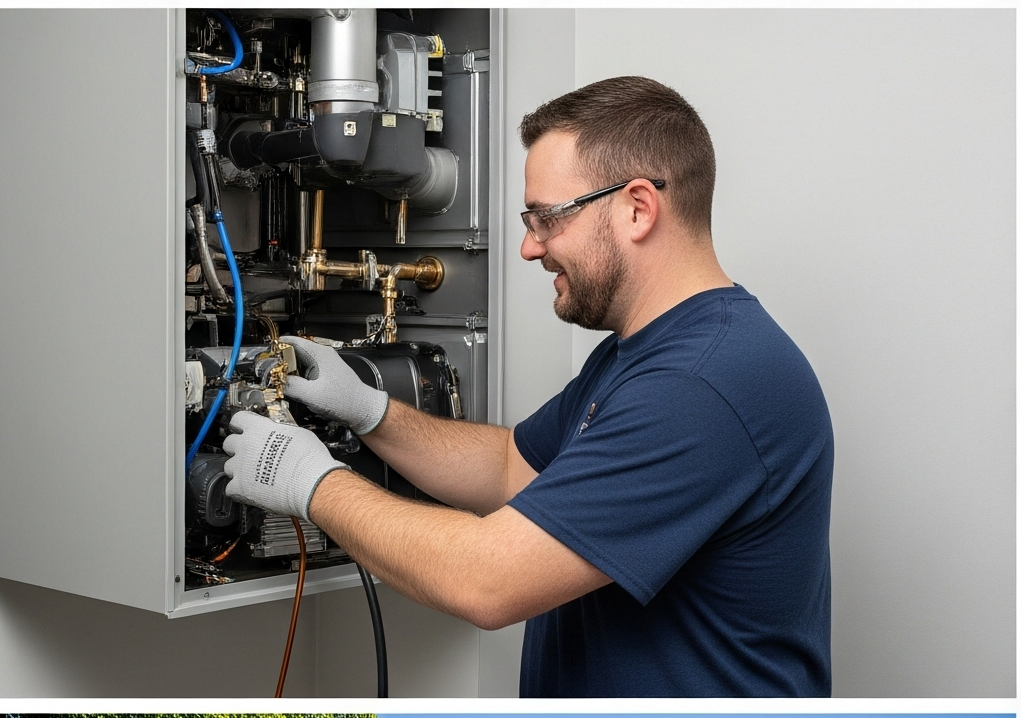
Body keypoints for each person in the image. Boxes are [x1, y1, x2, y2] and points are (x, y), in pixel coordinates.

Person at [223, 76, 834, 697]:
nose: (526, 246)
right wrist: (369, 411)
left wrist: (311, 481)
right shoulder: (647, 352)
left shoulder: (701, 384)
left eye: (547, 218)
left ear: (638, 208)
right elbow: (509, 465)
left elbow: (487, 581)